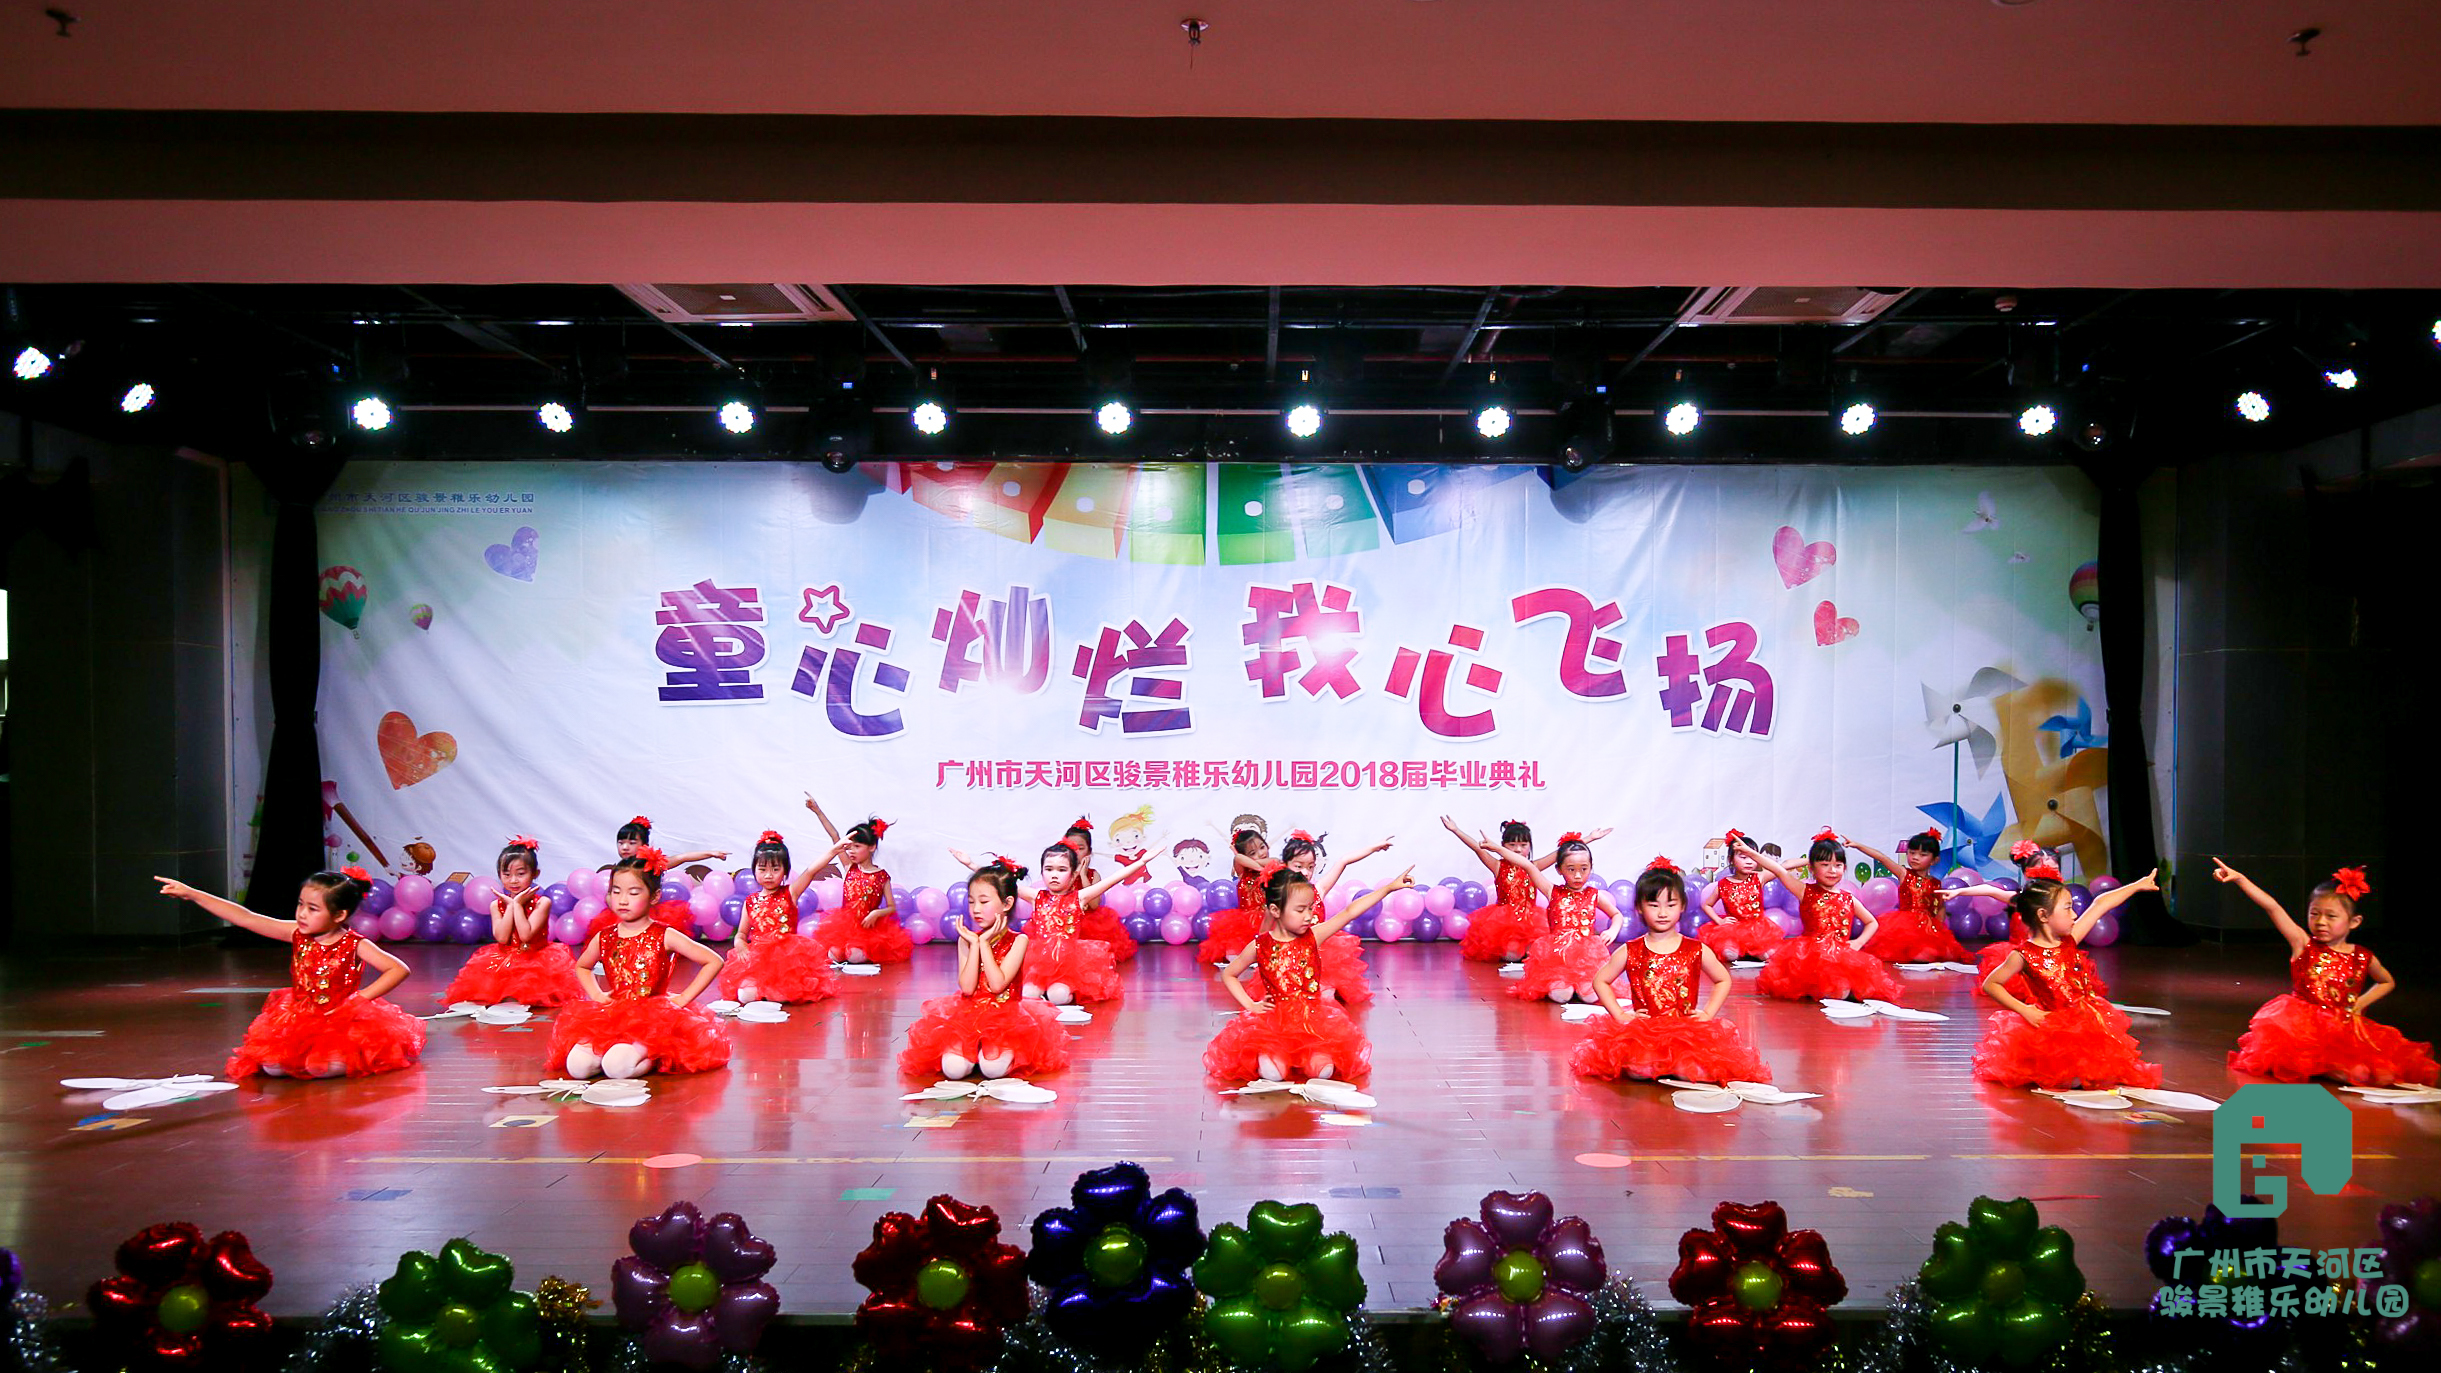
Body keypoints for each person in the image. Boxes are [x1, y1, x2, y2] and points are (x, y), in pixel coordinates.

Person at [156, 867, 423, 1080]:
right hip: (300, 1016)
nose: (302, 914)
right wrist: (193, 894)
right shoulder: (295, 932)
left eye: (312, 909)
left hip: (340, 1020)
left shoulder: (355, 943)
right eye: (300, 905)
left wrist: (359, 1000)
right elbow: (246, 918)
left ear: (339, 914)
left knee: (321, 1067)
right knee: (272, 1067)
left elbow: (398, 969)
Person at [2218, 861, 2437, 1087]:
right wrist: (2240, 879)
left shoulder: (2362, 956)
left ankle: (2334, 1066)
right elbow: (2273, 907)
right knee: (2352, 1073)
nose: (2321, 922)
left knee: (2381, 1073)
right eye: (2314, 914)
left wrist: (2360, 1004)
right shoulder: (2303, 945)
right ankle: (2325, 1066)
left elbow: (2387, 981)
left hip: (2342, 1027)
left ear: (2354, 922)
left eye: (2331, 916)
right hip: (2302, 1028)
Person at [1573, 857, 1772, 1084]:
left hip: (1685, 1029)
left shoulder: (1695, 949)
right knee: (1639, 1069)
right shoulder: (1631, 949)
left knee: (1691, 1069)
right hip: (1645, 1030)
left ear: (1682, 906)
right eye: (1654, 905)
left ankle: (1674, 1065)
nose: (1662, 913)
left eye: (1670, 904)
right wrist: (1620, 1015)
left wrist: (1707, 1014)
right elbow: (1600, 981)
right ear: (1639, 908)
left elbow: (1723, 979)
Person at [1206, 867, 1412, 1086]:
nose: (1309, 916)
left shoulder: (1313, 936)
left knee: (1322, 1072)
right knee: (1273, 1074)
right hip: (1274, 1022)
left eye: (1310, 908)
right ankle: (1277, 1056)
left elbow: (1349, 912)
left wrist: (1389, 888)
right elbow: (1230, 973)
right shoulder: (1260, 945)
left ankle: (1310, 1057)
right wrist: (1250, 1004)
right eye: (1300, 910)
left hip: (1312, 1019)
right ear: (1275, 910)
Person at [1973, 871, 2164, 1090]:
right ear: (2043, 915)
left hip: (2087, 1019)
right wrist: (2024, 1010)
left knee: (2102, 1071)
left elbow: (2100, 904)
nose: (2074, 914)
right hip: (2054, 1026)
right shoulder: (2023, 955)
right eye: (2067, 908)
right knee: (2066, 1075)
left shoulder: (2069, 941)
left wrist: (2137, 885)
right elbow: (1991, 984)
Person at [548, 850, 729, 1080]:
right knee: (577, 1067)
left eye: (633, 893)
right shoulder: (605, 936)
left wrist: (683, 999)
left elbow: (713, 960)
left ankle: (655, 1055)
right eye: (616, 891)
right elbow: (583, 966)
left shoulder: (664, 934)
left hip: (654, 1018)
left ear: (654, 896)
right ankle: (619, 1053)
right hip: (613, 1012)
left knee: (616, 1067)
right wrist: (596, 994)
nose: (623, 900)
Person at [899, 857, 1071, 1081]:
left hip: (1005, 1018)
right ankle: (975, 1053)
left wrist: (983, 945)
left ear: (1007, 904)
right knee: (953, 1070)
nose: (976, 909)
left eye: (984, 902)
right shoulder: (967, 939)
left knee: (993, 1070)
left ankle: (990, 1055)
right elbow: (967, 988)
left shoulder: (1018, 940)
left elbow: (997, 984)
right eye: (971, 902)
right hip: (969, 1014)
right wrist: (975, 944)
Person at [1756, 830, 1907, 1003]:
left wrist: (1858, 942)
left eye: (1838, 865)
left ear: (1844, 868)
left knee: (1854, 989)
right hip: (1810, 956)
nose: (1832, 870)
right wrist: (1750, 853)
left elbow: (1872, 922)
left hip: (1841, 955)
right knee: (1833, 989)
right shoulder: (1804, 891)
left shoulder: (1848, 899)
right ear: (1812, 868)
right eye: (1825, 864)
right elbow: (1779, 870)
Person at [1441, 817, 1610, 963]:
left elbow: (1561, 853)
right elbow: (1478, 848)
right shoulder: (1498, 866)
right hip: (1504, 922)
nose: (1518, 849)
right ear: (1503, 845)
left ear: (1530, 846)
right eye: (1512, 845)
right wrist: (1456, 830)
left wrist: (1589, 838)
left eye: (1523, 845)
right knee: (1512, 955)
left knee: (1539, 951)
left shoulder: (1534, 866)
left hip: (1531, 920)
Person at [442, 836, 580, 1007]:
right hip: (505, 956)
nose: (513, 880)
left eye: (521, 874)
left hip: (535, 958)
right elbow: (501, 938)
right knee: (492, 994)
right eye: (506, 874)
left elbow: (525, 935)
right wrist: (511, 906)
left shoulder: (542, 903)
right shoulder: (496, 905)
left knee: (528, 993)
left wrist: (518, 905)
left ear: (535, 874)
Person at [1494, 832, 1626, 1004]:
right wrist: (1497, 848)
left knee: (1591, 996)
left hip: (1586, 958)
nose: (1577, 875)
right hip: (1558, 957)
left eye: (1584, 869)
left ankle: (1580, 985)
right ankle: (1564, 984)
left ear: (1591, 867)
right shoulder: (1552, 891)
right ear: (1559, 869)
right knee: (1561, 995)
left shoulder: (1595, 895)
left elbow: (1617, 915)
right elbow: (1527, 865)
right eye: (1571, 869)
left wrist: (1613, 930)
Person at [1849, 826, 2009, 964]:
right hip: (1903, 925)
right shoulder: (1904, 874)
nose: (1915, 857)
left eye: (1922, 854)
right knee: (1904, 952)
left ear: (1934, 860)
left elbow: (1940, 907)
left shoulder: (1936, 883)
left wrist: (1938, 928)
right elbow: (1882, 858)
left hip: (1927, 926)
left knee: (1937, 955)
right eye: (1912, 853)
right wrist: (1857, 846)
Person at [1019, 837, 1151, 1004]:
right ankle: (1044, 991)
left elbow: (1112, 880)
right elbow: (1003, 884)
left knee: (1058, 996)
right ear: (1042, 872)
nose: (1054, 875)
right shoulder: (1036, 897)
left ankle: (1063, 990)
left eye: (1061, 870)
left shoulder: (1079, 898)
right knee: (1028, 993)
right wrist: (985, 867)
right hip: (1040, 962)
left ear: (1073, 874)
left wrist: (1142, 862)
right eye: (1049, 869)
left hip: (1068, 964)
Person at [718, 830, 839, 1005]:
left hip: (787, 958)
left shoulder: (790, 893)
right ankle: (763, 991)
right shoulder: (750, 901)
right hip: (758, 959)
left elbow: (811, 871)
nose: (769, 875)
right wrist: (739, 944)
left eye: (775, 869)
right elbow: (741, 934)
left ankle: (770, 992)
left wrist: (834, 850)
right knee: (745, 995)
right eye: (762, 869)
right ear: (754, 870)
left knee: (784, 995)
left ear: (785, 871)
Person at [807, 816, 910, 964]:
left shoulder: (881, 876)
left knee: (854, 956)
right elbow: (835, 836)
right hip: (845, 926)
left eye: (857, 846)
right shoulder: (850, 867)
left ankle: (863, 953)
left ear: (871, 847)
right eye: (849, 847)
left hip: (868, 927)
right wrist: (816, 810)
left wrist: (876, 913)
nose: (851, 851)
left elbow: (891, 907)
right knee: (834, 954)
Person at [1697, 828, 1798, 963]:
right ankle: (1740, 950)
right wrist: (1719, 921)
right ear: (1731, 859)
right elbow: (1706, 904)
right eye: (1743, 857)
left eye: (1752, 857)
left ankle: (1753, 952)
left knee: (1771, 954)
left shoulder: (1760, 877)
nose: (1749, 862)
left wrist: (1813, 860)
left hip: (1758, 929)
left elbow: (1785, 865)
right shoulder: (1723, 884)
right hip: (1732, 930)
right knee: (1729, 954)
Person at [1195, 823, 1276, 965]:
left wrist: (1261, 865)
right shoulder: (1243, 871)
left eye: (1262, 847)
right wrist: (1259, 867)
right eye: (1252, 853)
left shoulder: (1274, 866)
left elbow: (1274, 861)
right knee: (1235, 954)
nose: (1261, 853)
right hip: (1247, 919)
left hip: (1268, 919)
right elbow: (1238, 858)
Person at [610, 815, 728, 870]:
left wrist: (711, 853)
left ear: (644, 845)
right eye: (621, 843)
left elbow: (683, 857)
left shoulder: (652, 865)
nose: (625, 847)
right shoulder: (618, 869)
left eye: (632, 843)